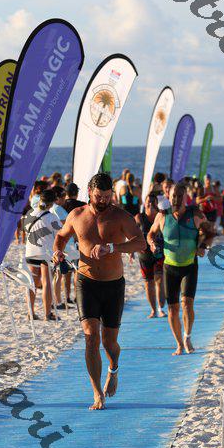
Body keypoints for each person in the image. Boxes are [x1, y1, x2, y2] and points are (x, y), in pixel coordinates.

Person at [53, 173, 146, 410]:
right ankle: (97, 393)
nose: (103, 200)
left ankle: (113, 368)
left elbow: (140, 243)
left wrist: (113, 247)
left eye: (107, 196)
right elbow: (61, 236)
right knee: (90, 336)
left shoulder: (121, 216)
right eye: (98, 196)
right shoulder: (76, 215)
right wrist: (57, 252)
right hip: (86, 282)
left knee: (109, 342)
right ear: (89, 193)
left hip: (113, 285)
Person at [147, 182, 215, 356]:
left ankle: (187, 336)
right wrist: (152, 243)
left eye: (179, 196)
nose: (176, 199)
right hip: (170, 268)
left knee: (187, 303)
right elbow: (150, 233)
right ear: (168, 197)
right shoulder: (162, 216)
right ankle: (178, 343)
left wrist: (203, 246)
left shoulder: (196, 215)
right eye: (173, 196)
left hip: (189, 266)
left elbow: (210, 233)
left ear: (185, 197)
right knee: (173, 309)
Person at [25, 189, 62, 321]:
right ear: (52, 203)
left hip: (31, 251)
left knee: (32, 283)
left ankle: (30, 313)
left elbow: (25, 229)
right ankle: (47, 314)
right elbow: (60, 235)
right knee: (47, 282)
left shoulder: (30, 214)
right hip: (46, 253)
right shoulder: (52, 217)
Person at [134, 193, 165, 318]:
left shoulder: (161, 216)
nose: (150, 203)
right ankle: (153, 310)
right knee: (148, 283)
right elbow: (133, 234)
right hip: (144, 254)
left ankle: (161, 308)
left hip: (159, 253)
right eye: (148, 201)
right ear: (144, 202)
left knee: (159, 279)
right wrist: (131, 251)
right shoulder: (139, 217)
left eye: (153, 201)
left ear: (157, 203)